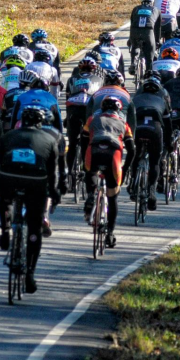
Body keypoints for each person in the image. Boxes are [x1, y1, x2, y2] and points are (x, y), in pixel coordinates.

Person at [0, 106, 59, 292]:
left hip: (10, 178)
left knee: (5, 200)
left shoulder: (8, 136)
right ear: (41, 123)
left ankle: (5, 231)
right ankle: (30, 272)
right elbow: (53, 173)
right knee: (34, 226)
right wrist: (54, 192)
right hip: (36, 182)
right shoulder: (49, 139)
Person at [80, 97, 133, 247]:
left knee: (91, 172)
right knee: (112, 197)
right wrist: (126, 168)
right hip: (113, 155)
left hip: (94, 149)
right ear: (118, 110)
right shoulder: (124, 124)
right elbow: (132, 149)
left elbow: (83, 141)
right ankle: (110, 233)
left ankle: (91, 196)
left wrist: (84, 161)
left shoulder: (92, 119)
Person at [130, 77, 170, 211]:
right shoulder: (161, 100)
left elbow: (128, 121)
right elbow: (168, 126)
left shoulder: (135, 99)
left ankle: (133, 182)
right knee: (154, 161)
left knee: (135, 155)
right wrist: (168, 143)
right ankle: (152, 191)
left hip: (138, 129)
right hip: (155, 130)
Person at [64, 58, 104, 178]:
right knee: (88, 141)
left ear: (80, 68)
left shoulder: (72, 79)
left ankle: (69, 174)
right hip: (89, 110)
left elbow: (68, 98)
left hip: (73, 110)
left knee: (72, 144)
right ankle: (86, 170)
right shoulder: (99, 80)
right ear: (94, 69)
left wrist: (67, 118)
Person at [128, 0, 162, 74]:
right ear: (152, 2)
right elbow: (158, 28)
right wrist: (157, 41)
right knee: (150, 54)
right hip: (148, 31)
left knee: (135, 46)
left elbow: (132, 24)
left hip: (135, 31)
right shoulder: (156, 10)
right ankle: (148, 72)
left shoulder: (135, 9)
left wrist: (130, 39)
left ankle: (133, 62)